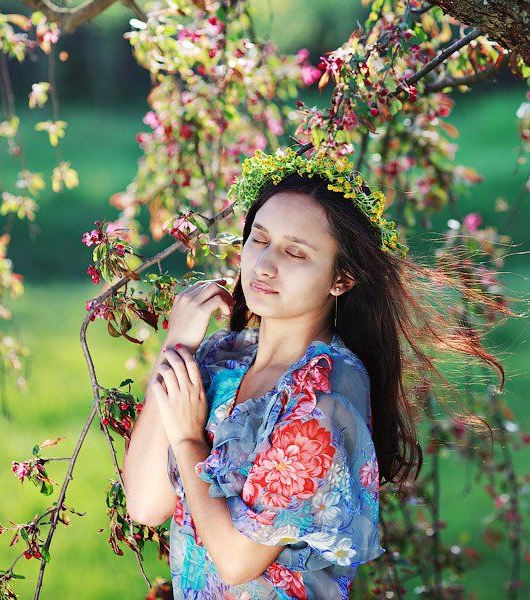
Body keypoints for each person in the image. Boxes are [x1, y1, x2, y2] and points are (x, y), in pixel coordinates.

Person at [122, 148, 508, 599]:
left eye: (295, 252)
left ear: (341, 279)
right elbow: (145, 504)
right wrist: (177, 343)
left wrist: (190, 440)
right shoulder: (224, 357)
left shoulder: (324, 394)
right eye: (259, 239)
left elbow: (236, 561)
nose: (264, 265)